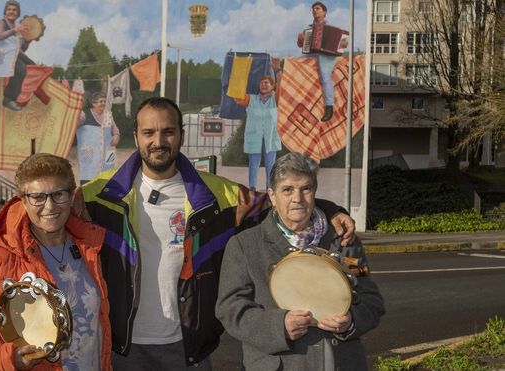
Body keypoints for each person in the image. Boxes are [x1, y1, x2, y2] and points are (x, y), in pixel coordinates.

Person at [71, 97, 356, 370]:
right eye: (149, 132)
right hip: (123, 348)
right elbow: (48, 214)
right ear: (135, 136)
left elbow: (281, 202)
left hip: (189, 348)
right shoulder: (97, 196)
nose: (158, 142)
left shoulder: (221, 195)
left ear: (181, 135)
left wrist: (329, 209)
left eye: (168, 132)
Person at [215, 152, 385, 370]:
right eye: (287, 190)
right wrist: (278, 327)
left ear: (314, 192)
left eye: (306, 189)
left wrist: (351, 321)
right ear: (272, 196)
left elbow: (371, 299)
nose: (298, 198)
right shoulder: (244, 245)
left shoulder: (344, 241)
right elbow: (230, 309)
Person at [0, 153, 112, 370]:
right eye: (38, 197)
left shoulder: (92, 249)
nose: (50, 206)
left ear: (71, 195)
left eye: (59, 194)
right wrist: (10, 359)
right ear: (22, 200)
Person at [296, 1, 349, 122]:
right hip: (313, 54)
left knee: (325, 77)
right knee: (298, 66)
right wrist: (300, 39)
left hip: (327, 55)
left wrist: (344, 43)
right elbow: (300, 45)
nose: (315, 10)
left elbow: (344, 43)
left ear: (324, 12)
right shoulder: (308, 29)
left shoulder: (333, 29)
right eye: (313, 9)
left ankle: (329, 107)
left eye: (318, 8)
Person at [234, 75, 282, 191]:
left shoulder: (276, 99)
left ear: (272, 86)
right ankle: (252, 188)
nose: (263, 85)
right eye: (261, 83)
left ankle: (269, 187)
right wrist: (240, 74)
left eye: (266, 83)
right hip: (254, 136)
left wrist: (277, 71)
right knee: (253, 163)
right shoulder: (251, 99)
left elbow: (282, 89)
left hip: (270, 137)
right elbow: (238, 97)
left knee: (271, 164)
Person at [0, 0, 35, 111]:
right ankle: (8, 99)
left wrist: (27, 41)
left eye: (14, 10)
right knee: (22, 69)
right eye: (9, 9)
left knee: (32, 66)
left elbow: (21, 50)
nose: (11, 12)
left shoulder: (18, 29)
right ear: (5, 12)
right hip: (0, 56)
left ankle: (22, 96)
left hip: (13, 55)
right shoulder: (0, 23)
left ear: (18, 13)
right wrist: (14, 30)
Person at [76, 92, 121, 185]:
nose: (103, 103)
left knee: (106, 179)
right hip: (89, 153)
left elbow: (116, 131)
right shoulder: (84, 114)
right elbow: (74, 125)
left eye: (104, 101)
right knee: (87, 179)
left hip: (108, 152)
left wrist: (116, 137)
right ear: (93, 103)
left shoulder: (108, 115)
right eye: (101, 101)